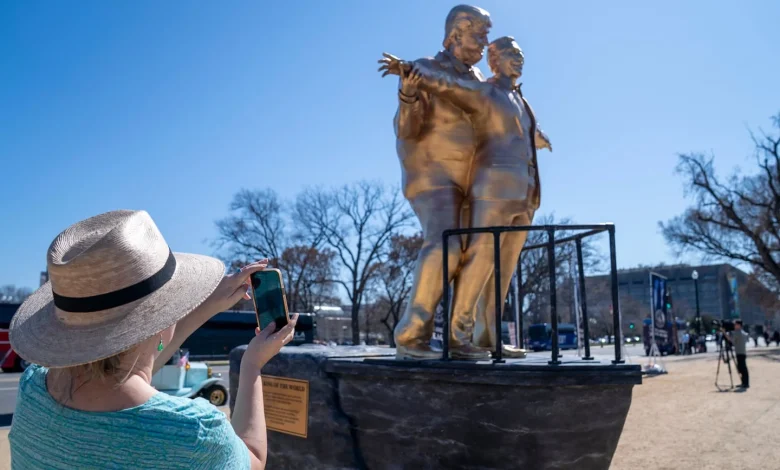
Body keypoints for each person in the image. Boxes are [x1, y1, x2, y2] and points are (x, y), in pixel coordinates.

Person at [9, 210, 298, 469]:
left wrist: (205, 306)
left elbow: (124, 371)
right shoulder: (193, 433)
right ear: (159, 319)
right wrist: (252, 366)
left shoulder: (32, 389)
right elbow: (252, 459)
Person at [391, 37, 552, 357]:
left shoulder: (519, 97)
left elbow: (519, 129)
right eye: (512, 55)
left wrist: (539, 137)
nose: (519, 60)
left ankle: (486, 338)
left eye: (521, 55)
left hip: (526, 194)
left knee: (502, 270)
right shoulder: (486, 91)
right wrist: (410, 71)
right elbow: (449, 86)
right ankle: (457, 336)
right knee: (480, 260)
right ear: (494, 61)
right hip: (493, 190)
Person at [378, 5, 492, 360]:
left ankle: (464, 338)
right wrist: (408, 95)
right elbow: (406, 130)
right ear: (457, 33)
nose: (486, 42)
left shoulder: (481, 81)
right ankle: (411, 335)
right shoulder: (424, 69)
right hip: (433, 177)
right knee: (445, 243)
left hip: (475, 181)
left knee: (479, 251)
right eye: (480, 34)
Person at [727, 320, 750, 390]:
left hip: (740, 352)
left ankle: (745, 383)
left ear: (739, 325)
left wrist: (725, 334)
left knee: (742, 368)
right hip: (742, 352)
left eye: (735, 324)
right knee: (742, 368)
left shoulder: (738, 333)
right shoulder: (742, 332)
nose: (734, 325)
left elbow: (732, 341)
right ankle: (744, 382)